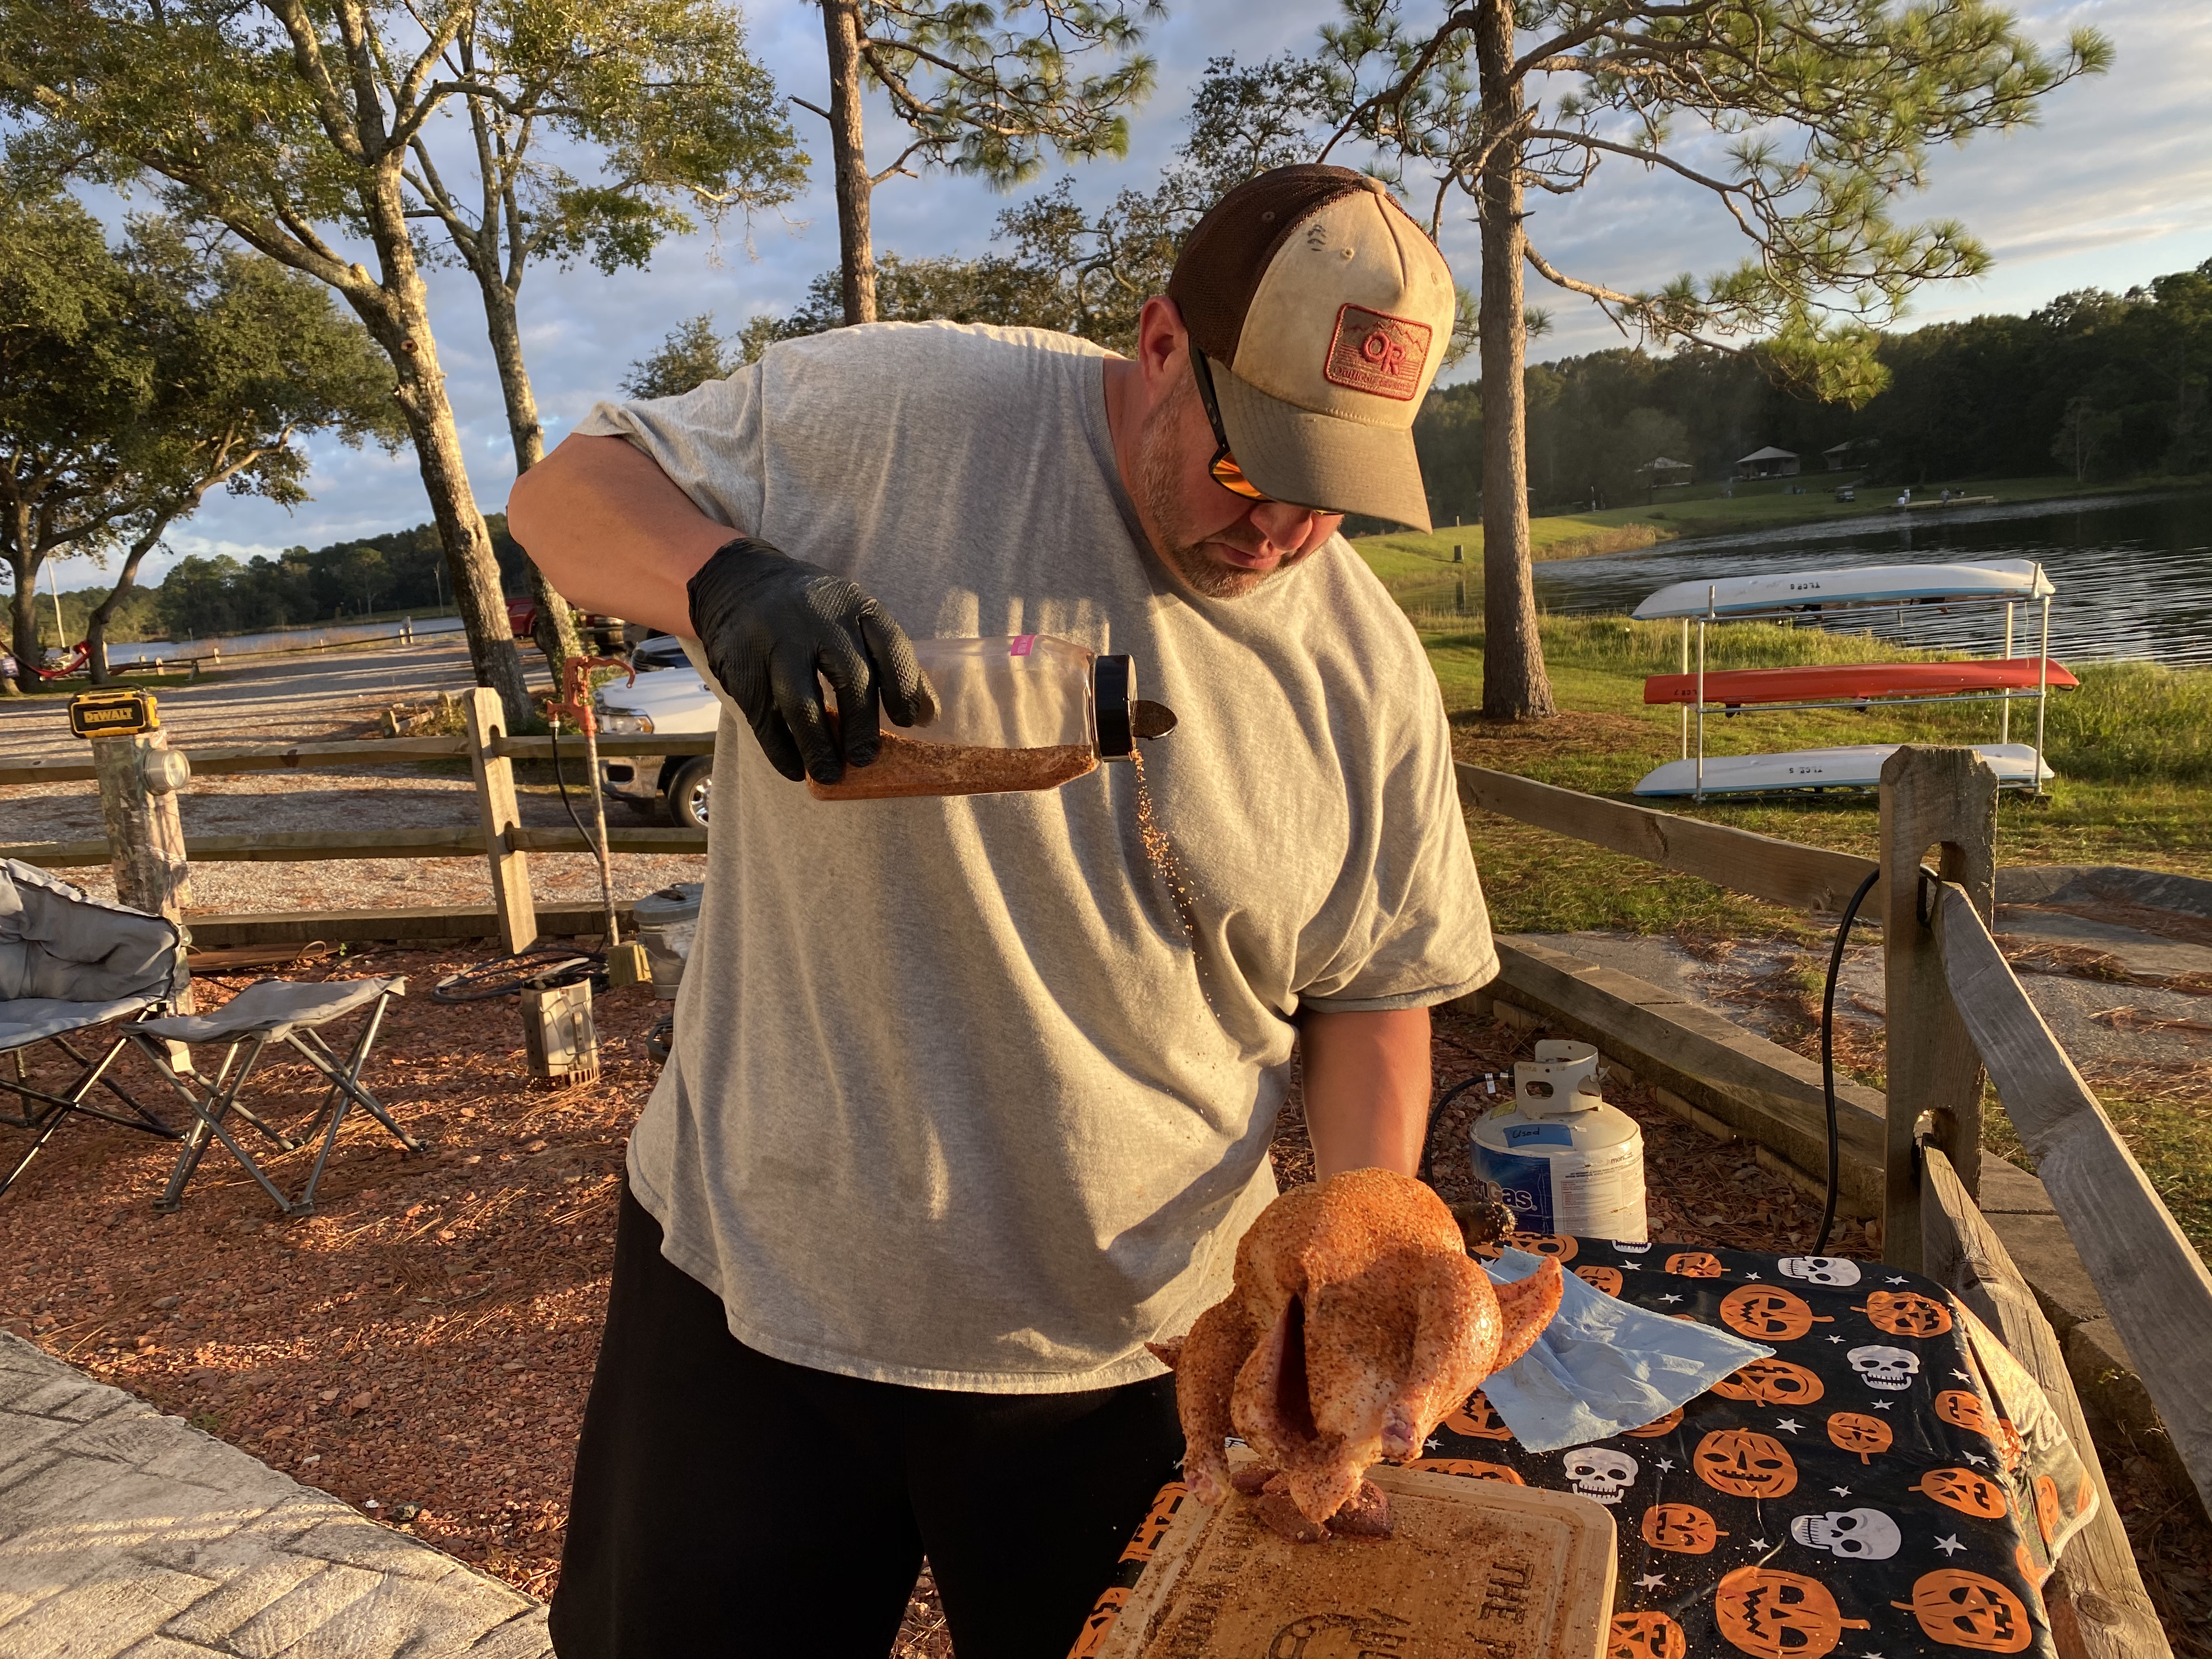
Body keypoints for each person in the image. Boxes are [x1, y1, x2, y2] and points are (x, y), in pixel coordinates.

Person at [508, 164, 1498, 1659]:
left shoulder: (1364, 675)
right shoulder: (899, 415)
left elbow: (1372, 994)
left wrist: (1354, 1248)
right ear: (1160, 346)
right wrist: (721, 579)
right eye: (1253, 468)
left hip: (1135, 1350)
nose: (1285, 530)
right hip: (752, 1288)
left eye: (1335, 489)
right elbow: (561, 497)